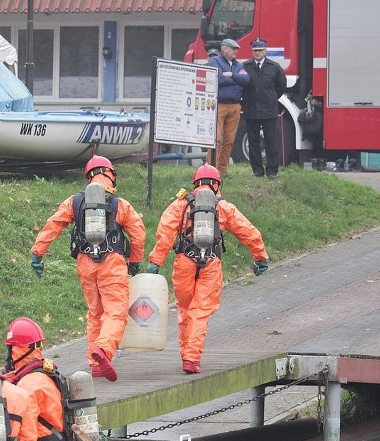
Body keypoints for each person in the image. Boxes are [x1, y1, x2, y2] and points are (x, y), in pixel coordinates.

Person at [30, 155, 146, 381]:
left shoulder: (75, 202)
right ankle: (103, 349)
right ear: (111, 174)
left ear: (89, 176)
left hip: (85, 263)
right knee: (116, 312)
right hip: (112, 262)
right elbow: (138, 233)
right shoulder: (119, 204)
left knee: (95, 313)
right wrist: (134, 260)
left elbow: (53, 224)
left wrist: (38, 252)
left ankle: (95, 364)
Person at [145, 164, 269, 374]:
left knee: (185, 309)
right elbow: (247, 231)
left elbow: (165, 234)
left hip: (184, 262)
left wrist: (155, 262)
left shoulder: (180, 204)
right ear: (216, 184)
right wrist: (260, 257)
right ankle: (191, 358)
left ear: (195, 184)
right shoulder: (223, 207)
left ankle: (186, 353)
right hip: (211, 264)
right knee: (200, 311)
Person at [3, 317, 66, 441]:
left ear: (16, 349)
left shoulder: (28, 386)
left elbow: (28, 436)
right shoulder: (44, 375)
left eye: (10, 349)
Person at [241, 38, 287, 179]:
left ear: (265, 51)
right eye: (255, 51)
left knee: (271, 141)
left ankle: (272, 171)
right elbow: (241, 85)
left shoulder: (274, 67)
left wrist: (270, 98)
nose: (257, 53)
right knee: (253, 141)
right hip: (251, 109)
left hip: (268, 109)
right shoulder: (245, 66)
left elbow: (281, 86)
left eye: (260, 50)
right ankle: (257, 171)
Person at [207, 38, 250, 176]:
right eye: (234, 49)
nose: (236, 51)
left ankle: (222, 169)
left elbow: (246, 80)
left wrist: (231, 75)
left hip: (235, 106)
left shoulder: (239, 65)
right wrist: (237, 78)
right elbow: (218, 78)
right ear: (225, 49)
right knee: (216, 139)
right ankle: (210, 170)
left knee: (229, 140)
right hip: (219, 105)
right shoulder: (215, 61)